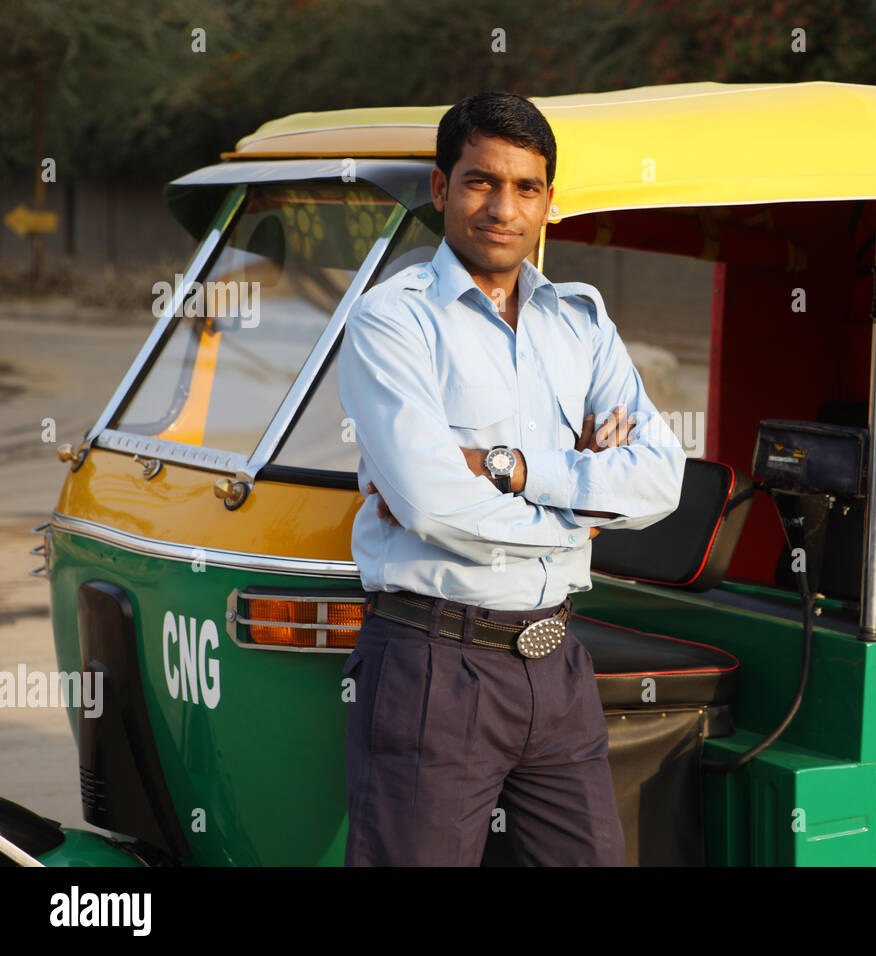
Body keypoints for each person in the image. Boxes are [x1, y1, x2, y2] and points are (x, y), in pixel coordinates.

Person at [336, 90, 686, 866]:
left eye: (526, 187)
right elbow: (430, 502)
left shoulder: (582, 324)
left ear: (549, 202)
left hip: (557, 664)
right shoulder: (392, 321)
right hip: (434, 665)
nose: (504, 207)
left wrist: (512, 468)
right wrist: (582, 506)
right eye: (480, 182)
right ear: (441, 189)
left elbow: (661, 477)